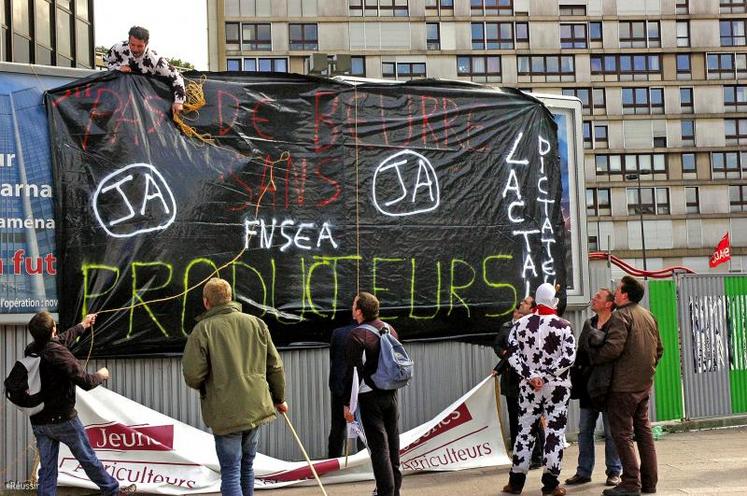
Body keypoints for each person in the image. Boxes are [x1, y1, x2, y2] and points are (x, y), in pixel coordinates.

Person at [183, 278, 287, 496]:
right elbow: (274, 365)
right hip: (256, 406)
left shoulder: (202, 330)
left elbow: (193, 376)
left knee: (230, 471)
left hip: (225, 411)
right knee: (247, 467)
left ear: (206, 302)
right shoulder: (256, 323)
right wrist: (279, 398)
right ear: (230, 297)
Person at [23, 311, 121, 496]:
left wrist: (83, 325)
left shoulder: (31, 349)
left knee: (47, 470)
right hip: (63, 421)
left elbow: (59, 340)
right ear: (53, 330)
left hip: (39, 421)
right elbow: (86, 381)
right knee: (89, 460)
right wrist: (101, 375)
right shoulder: (58, 353)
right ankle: (112, 490)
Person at [588, 276, 663, 496]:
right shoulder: (648, 315)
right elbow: (659, 349)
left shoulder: (621, 315)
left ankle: (631, 483)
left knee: (622, 435)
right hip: (643, 385)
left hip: (623, 388)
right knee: (644, 433)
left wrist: (594, 356)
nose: (615, 292)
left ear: (625, 294)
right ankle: (649, 483)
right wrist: (646, 370)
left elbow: (613, 349)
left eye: (618, 289)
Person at [502, 283, 576, 496]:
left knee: (525, 431)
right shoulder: (563, 325)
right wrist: (546, 375)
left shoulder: (520, 324)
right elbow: (568, 357)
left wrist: (531, 375)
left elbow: (512, 354)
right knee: (554, 431)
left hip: (529, 387)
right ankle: (551, 483)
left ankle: (516, 482)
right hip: (557, 386)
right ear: (554, 301)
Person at [342, 292, 401, 496]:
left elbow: (352, 374)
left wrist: (347, 405)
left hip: (369, 397)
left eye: (353, 305)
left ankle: (385, 492)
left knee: (379, 449)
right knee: (393, 443)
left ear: (359, 311)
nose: (351, 308)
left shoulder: (357, 335)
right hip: (391, 394)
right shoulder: (390, 330)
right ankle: (396, 490)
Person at [565, 288, 622, 487]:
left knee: (611, 432)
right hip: (589, 385)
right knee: (584, 430)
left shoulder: (617, 323)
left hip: (609, 386)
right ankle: (584, 471)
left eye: (598, 297)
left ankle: (614, 471)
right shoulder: (588, 324)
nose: (593, 299)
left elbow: (614, 353)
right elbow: (581, 353)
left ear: (608, 304)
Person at [493, 297, 544, 469]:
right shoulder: (508, 327)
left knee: (532, 418)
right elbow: (502, 348)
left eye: (525, 303)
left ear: (532, 308)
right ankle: (519, 454)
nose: (520, 306)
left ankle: (537, 455)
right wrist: (502, 365)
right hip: (511, 379)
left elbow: (517, 352)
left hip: (529, 380)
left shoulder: (533, 326)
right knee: (516, 419)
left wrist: (499, 367)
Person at [106, 26, 186, 115]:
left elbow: (176, 76)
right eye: (132, 45)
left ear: (146, 44)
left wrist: (179, 101)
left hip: (145, 95)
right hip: (121, 91)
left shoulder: (155, 60)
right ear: (128, 40)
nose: (135, 49)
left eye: (140, 46)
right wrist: (118, 68)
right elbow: (107, 61)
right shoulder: (118, 48)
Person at [327, 321, 361, 458]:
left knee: (338, 427)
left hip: (340, 385)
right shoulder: (375, 331)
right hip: (364, 387)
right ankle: (365, 461)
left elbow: (334, 359)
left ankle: (333, 463)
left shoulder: (339, 334)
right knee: (364, 427)